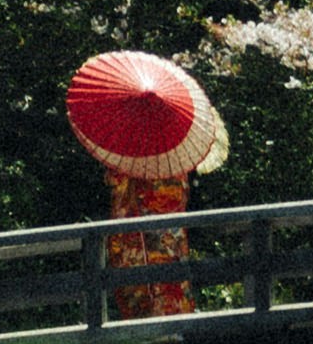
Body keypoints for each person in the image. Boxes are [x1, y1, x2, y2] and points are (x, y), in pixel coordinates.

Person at [65, 51, 228, 317]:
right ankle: (175, 326)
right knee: (171, 277)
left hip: (135, 230)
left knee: (138, 283)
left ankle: (150, 332)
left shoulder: (129, 150)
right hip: (169, 231)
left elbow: (117, 184)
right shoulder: (174, 156)